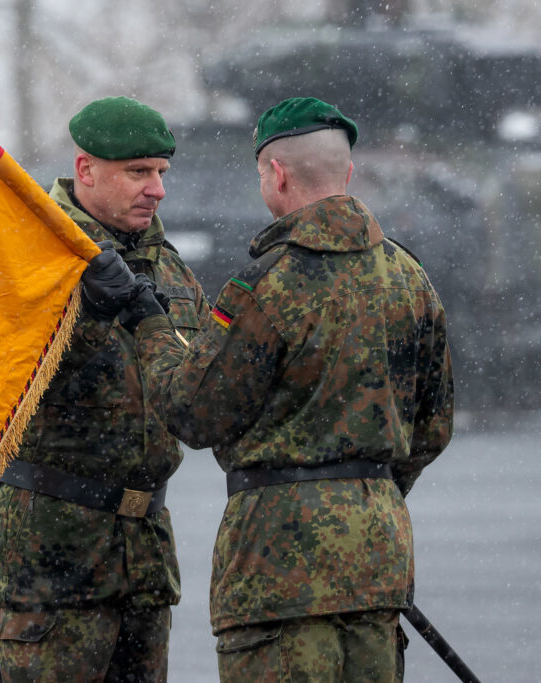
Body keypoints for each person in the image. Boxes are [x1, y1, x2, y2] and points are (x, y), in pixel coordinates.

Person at [100, 97, 454, 681]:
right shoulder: (410, 278)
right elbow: (434, 427)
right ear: (348, 173)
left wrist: (149, 323)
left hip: (276, 569)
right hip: (378, 563)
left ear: (277, 173)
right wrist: (360, 493)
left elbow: (195, 413)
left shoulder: (268, 284)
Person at [0, 95, 210, 681]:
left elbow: (199, 385)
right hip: (52, 549)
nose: (156, 189)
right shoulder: (30, 253)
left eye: (160, 173)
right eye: (138, 172)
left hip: (144, 552)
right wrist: (81, 311)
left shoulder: (172, 269)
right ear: (86, 170)